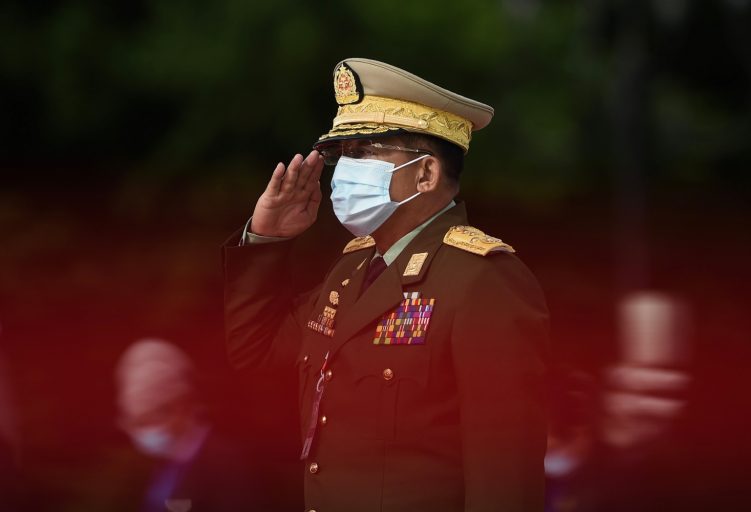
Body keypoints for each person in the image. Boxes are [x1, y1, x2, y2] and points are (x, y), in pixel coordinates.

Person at [223, 58, 550, 511]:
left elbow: (505, 481)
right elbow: (256, 355)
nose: (344, 170)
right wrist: (266, 242)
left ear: (426, 174)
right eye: (344, 154)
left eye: (365, 152)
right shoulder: (352, 270)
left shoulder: (484, 280)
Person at [115, 338, 263, 512]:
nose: (141, 432)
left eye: (145, 421)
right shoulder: (166, 465)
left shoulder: (225, 467)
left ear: (179, 408)